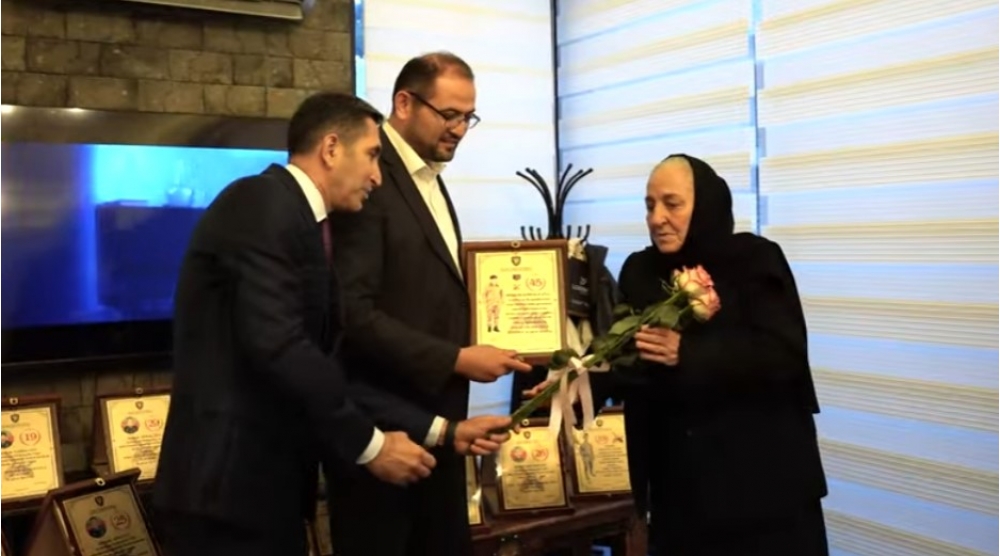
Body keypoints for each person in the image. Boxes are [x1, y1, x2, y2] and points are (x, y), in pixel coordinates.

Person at [152, 92, 437, 556]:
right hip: (226, 496)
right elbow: (280, 346)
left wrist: (438, 430)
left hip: (261, 493)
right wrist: (371, 447)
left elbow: (327, 364)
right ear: (331, 148)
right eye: (371, 155)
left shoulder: (302, 220)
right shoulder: (260, 202)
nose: (377, 176)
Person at [531, 154, 829, 555]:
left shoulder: (755, 260)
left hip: (764, 491)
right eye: (649, 205)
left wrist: (688, 352)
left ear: (705, 205)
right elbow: (630, 361)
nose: (657, 218)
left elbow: (783, 353)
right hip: (679, 494)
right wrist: (577, 389)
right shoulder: (641, 270)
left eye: (672, 204)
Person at [325, 51, 532, 556]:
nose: (460, 129)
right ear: (404, 103)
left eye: (469, 117)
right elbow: (353, 315)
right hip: (383, 437)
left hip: (442, 430)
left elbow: (431, 294)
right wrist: (456, 358)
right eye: (449, 114)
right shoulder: (368, 178)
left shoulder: (428, 176)